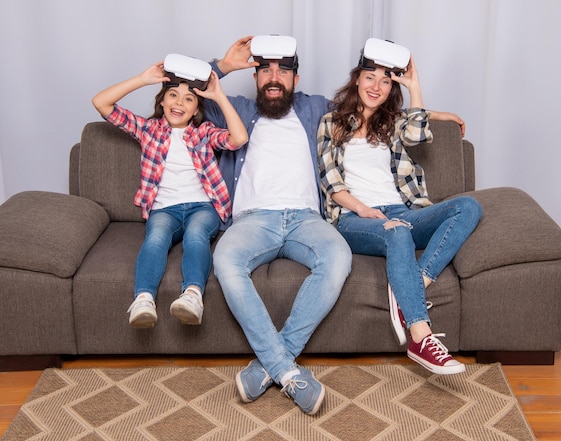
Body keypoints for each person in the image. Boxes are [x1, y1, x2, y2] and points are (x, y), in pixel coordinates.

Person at [203, 35, 353, 415]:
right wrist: (223, 65)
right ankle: (288, 372)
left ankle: (268, 367)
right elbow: (189, 94)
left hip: (306, 218)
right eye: (265, 69)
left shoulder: (315, 107)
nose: (274, 77)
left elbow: (367, 107)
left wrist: (434, 115)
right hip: (254, 219)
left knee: (338, 257)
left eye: (283, 71)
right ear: (254, 77)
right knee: (225, 261)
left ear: (295, 79)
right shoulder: (232, 108)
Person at [318, 39, 483, 375]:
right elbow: (331, 182)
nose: (376, 86)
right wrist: (363, 209)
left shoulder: (392, 122)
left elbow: (419, 133)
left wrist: (415, 86)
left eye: (386, 81)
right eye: (370, 77)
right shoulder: (331, 122)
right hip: (353, 217)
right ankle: (420, 336)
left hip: (403, 212)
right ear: (357, 79)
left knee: (467, 206)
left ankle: (413, 283)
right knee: (397, 232)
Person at [92, 58, 247, 329]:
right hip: (164, 208)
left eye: (188, 99)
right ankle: (143, 300)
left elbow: (239, 138)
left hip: (202, 207)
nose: (179, 103)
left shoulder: (204, 133)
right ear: (162, 101)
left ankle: (192, 296)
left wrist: (218, 95)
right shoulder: (147, 130)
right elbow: (101, 103)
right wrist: (143, 79)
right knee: (156, 238)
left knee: (196, 236)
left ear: (197, 108)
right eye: (173, 95)